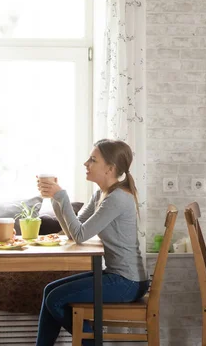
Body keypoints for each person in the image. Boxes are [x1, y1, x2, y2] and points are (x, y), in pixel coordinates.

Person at [35, 139, 149, 346]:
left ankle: (93, 342)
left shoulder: (117, 199)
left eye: (93, 160)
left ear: (110, 169)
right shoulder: (101, 194)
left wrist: (62, 196)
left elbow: (80, 235)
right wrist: (56, 199)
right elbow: (74, 231)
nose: (86, 164)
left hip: (128, 282)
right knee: (49, 291)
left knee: (55, 299)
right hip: (118, 275)